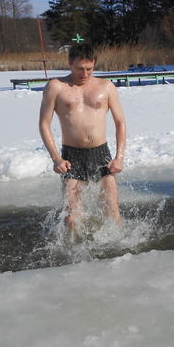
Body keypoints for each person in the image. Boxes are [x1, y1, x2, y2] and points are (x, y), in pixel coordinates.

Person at [39, 43, 127, 232]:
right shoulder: (56, 87)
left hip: (102, 155)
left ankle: (118, 253)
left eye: (89, 69)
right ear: (70, 63)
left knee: (112, 214)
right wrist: (56, 158)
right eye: (80, 69)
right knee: (72, 218)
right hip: (72, 158)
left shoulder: (106, 87)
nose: (85, 74)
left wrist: (119, 157)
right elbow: (44, 124)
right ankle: (75, 256)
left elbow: (120, 123)